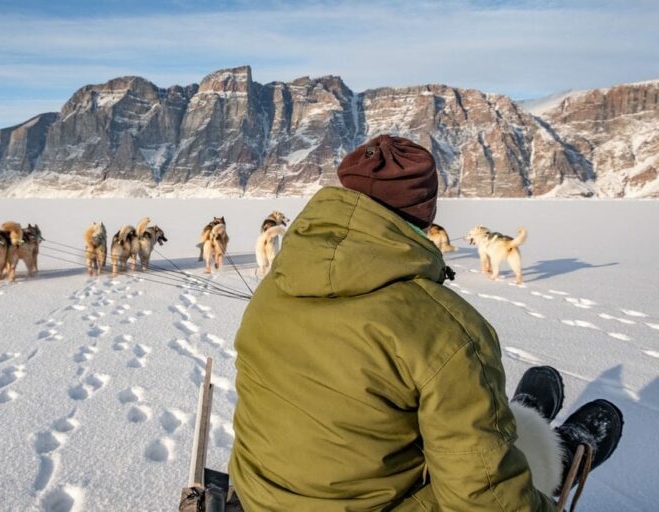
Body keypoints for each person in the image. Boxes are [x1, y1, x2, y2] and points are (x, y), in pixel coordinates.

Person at [229, 135, 623, 511]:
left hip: (262, 494)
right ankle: (556, 456)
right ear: (425, 212)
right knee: (504, 455)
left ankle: (506, 420)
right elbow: (484, 500)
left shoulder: (276, 286)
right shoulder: (444, 329)